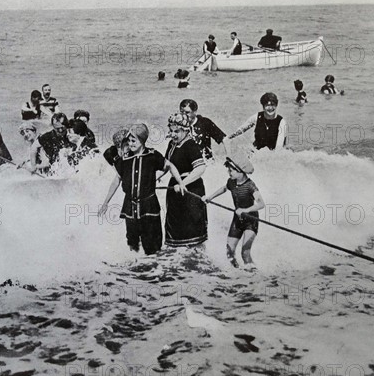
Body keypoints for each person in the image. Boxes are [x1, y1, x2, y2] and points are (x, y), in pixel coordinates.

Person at [99, 124, 185, 255]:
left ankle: (155, 271)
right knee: (133, 244)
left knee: (152, 246)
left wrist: (181, 183)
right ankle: (135, 270)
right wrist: (106, 203)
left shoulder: (152, 156)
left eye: (134, 141)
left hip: (149, 208)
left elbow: (170, 166)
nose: (131, 144)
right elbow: (117, 179)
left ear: (143, 141)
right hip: (130, 208)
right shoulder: (124, 159)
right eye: (129, 141)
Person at [203, 153, 265, 268]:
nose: (229, 172)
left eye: (231, 170)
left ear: (240, 171)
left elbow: (261, 204)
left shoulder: (250, 186)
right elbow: (224, 188)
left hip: (251, 221)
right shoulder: (231, 182)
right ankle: (238, 275)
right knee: (229, 253)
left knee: (245, 253)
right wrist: (210, 197)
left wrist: (245, 210)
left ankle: (254, 278)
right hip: (237, 220)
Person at [164, 112, 208, 247]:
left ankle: (197, 259)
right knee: (175, 230)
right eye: (171, 131)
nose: (173, 134)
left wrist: (183, 183)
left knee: (193, 230)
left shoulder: (190, 145)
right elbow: (167, 166)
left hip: (191, 190)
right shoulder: (172, 144)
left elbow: (200, 168)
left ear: (185, 130)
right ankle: (176, 261)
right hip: (175, 191)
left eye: (177, 131)